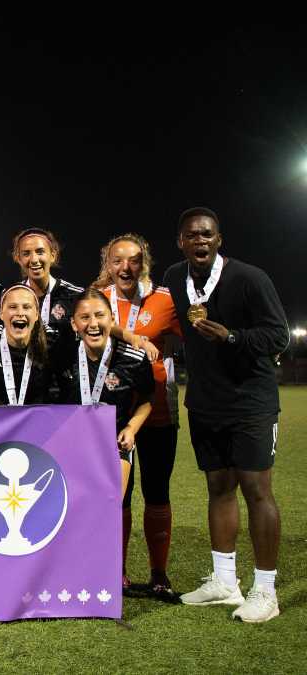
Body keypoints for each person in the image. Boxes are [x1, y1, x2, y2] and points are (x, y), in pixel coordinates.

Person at [164, 208, 289, 623]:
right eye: (191, 236)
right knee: (218, 487)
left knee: (257, 490)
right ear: (180, 242)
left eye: (207, 235)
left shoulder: (250, 278)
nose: (200, 242)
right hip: (204, 401)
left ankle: (266, 592)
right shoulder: (172, 278)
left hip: (250, 401)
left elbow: (278, 336)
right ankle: (224, 582)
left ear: (219, 240)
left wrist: (232, 336)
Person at [91, 233, 182, 600]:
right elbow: (84, 323)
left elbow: (193, 333)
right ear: (107, 264)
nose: (125, 267)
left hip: (158, 409)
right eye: (117, 260)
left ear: (143, 262)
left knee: (157, 492)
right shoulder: (97, 298)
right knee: (119, 495)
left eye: (133, 260)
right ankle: (118, 573)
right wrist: (131, 336)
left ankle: (159, 574)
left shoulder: (165, 300)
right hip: (114, 415)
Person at [57, 289, 154, 501]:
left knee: (106, 508)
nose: (93, 324)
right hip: (71, 443)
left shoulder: (134, 357)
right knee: (70, 511)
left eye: (100, 315)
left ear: (112, 319)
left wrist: (131, 428)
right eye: (85, 317)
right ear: (74, 324)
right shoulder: (61, 356)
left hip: (114, 442)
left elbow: (147, 400)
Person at [12, 228, 83, 333]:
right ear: (18, 258)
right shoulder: (11, 297)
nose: (34, 260)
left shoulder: (75, 295)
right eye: (26, 254)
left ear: (53, 255)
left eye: (40, 252)